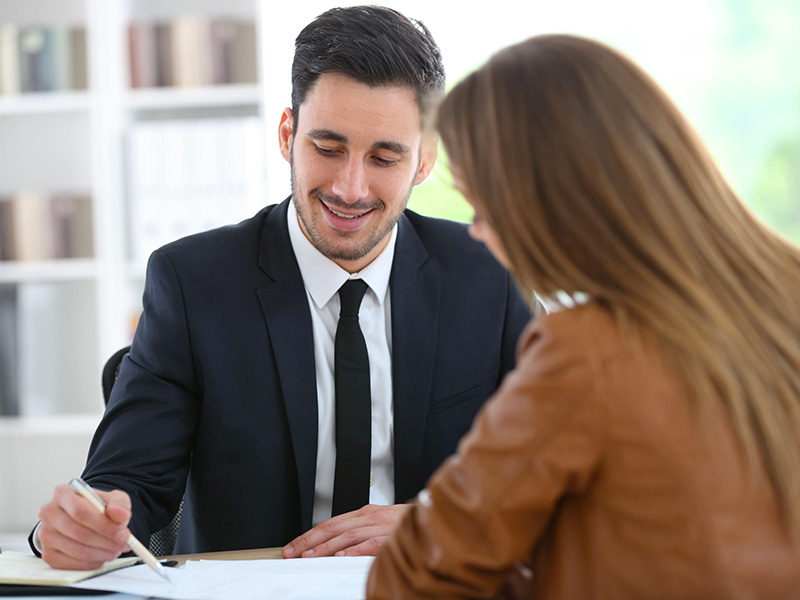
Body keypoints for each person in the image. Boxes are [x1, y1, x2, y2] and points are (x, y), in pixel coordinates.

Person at [32, 6, 533, 570]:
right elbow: (124, 485)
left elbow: (555, 469)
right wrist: (84, 525)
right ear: (287, 135)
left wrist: (444, 520)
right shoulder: (192, 283)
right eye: (328, 147)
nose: (350, 187)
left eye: (385, 157)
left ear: (425, 160)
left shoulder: (493, 273)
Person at [367, 33, 800, 599]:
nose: (476, 231)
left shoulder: (587, 350)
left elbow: (414, 579)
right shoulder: (785, 292)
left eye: (482, 205)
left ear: (546, 199)